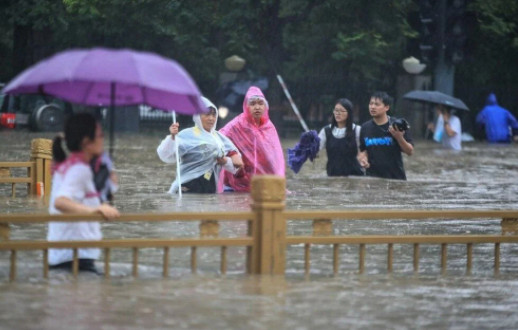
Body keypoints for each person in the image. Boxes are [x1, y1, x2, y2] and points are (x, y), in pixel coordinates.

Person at [48, 113, 120, 274]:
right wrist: (95, 210)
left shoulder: (73, 166)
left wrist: (108, 172)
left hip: (70, 254)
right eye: (100, 135)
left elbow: (100, 194)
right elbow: (61, 202)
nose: (103, 139)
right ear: (87, 142)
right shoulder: (79, 170)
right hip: (74, 257)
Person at [157, 97, 243, 194]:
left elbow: (237, 165)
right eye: (207, 114)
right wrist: (172, 137)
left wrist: (226, 161)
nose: (211, 118)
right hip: (188, 187)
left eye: (214, 115)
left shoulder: (219, 138)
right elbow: (166, 155)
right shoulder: (187, 135)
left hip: (209, 187)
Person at [219, 86, 285, 192]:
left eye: (260, 103)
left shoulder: (269, 127)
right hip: (235, 184)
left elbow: (275, 156)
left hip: (261, 185)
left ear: (265, 107)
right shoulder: (237, 124)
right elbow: (219, 138)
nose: (257, 107)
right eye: (253, 104)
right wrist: (232, 154)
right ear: (246, 106)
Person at [357, 91, 414, 180]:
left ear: (386, 107)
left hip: (395, 179)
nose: (372, 107)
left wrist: (399, 137)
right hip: (372, 179)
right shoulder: (365, 128)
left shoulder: (397, 125)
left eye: (377, 104)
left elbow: (410, 151)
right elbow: (363, 151)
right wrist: (363, 160)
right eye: (371, 104)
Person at [317, 98, 363, 176]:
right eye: (336, 110)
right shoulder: (326, 131)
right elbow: (316, 150)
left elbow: (365, 150)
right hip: (332, 175)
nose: (338, 113)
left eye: (342, 111)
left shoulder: (357, 130)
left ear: (349, 113)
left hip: (354, 176)